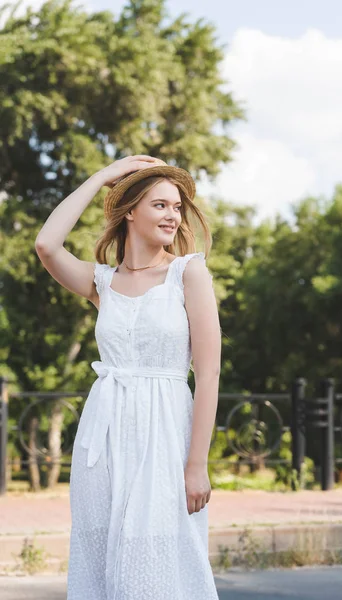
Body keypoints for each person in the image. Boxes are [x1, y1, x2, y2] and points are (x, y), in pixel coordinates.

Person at [34, 155, 221, 599]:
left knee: (157, 556)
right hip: (104, 435)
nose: (173, 215)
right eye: (160, 205)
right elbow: (46, 245)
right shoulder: (102, 282)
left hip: (165, 436)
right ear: (130, 211)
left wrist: (197, 464)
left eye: (177, 207)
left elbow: (209, 372)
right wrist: (100, 177)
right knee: (99, 550)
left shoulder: (187, 273)